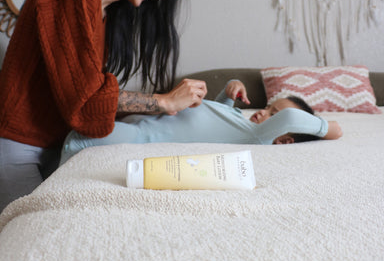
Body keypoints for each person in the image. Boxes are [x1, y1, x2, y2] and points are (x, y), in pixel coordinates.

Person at [0, 0, 207, 212]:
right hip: (17, 145)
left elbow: (91, 97)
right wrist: (161, 101)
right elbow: (84, 103)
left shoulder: (105, 15)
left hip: (52, 147)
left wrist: (166, 104)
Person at [60, 79, 343, 163]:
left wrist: (325, 127)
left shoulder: (258, 139)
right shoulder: (241, 123)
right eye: (269, 107)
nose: (265, 114)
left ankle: (50, 170)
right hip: (151, 117)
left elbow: (293, 117)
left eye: (274, 116)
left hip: (145, 136)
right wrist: (229, 92)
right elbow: (213, 117)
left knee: (81, 137)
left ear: (284, 138)